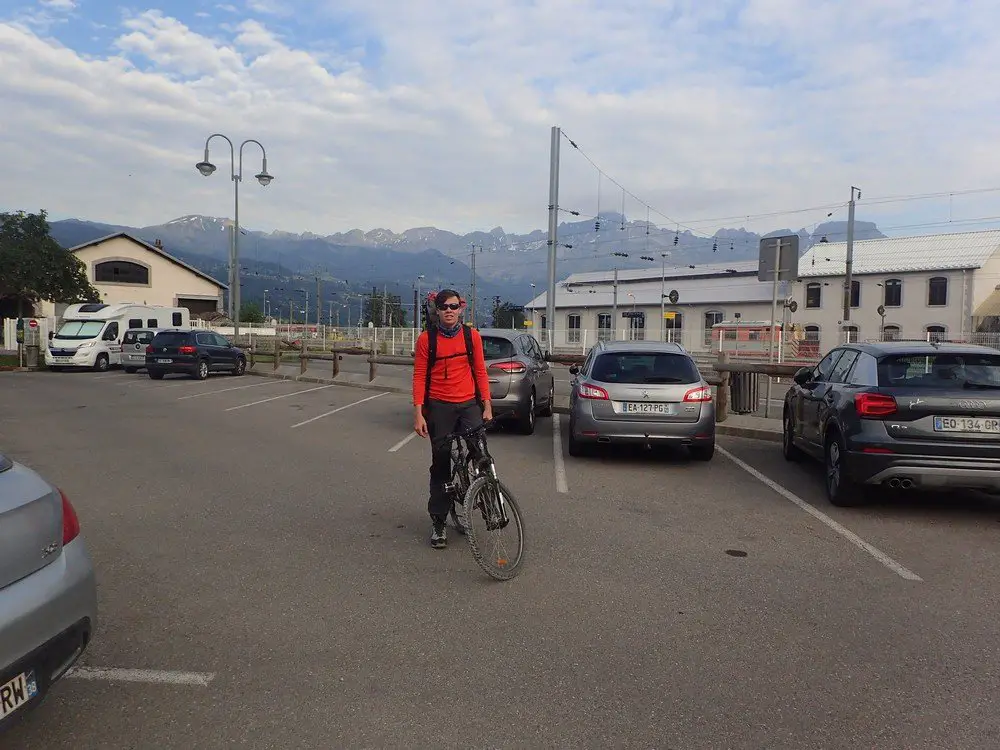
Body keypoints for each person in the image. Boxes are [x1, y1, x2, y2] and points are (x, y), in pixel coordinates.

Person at [412, 289, 493, 549]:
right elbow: (419, 375)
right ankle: (438, 522)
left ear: (461, 309)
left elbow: (480, 370)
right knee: (441, 464)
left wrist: (487, 405)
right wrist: (418, 413)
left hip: (469, 404)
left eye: (454, 306)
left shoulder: (472, 337)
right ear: (437, 310)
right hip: (440, 406)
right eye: (444, 306)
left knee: (482, 455)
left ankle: (492, 507)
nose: (449, 310)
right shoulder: (427, 340)